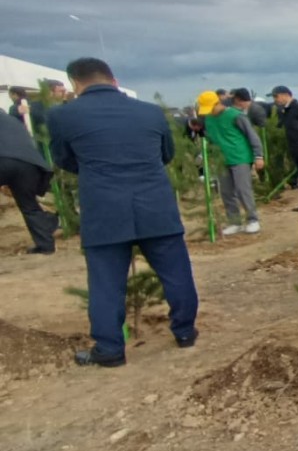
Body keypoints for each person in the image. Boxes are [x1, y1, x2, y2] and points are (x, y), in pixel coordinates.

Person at [47, 58, 200, 367]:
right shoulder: (150, 111)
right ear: (113, 80)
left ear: (76, 84)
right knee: (176, 272)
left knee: (105, 282)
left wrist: (95, 172)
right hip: (155, 204)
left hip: (103, 208)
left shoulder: (63, 115)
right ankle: (185, 332)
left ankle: (109, 349)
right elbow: (166, 154)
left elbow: (63, 158)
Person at [204, 88, 265, 235]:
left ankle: (252, 220)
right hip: (221, 159)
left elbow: (252, 135)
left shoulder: (235, 116)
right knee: (226, 192)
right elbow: (210, 139)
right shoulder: (208, 119)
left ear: (218, 103)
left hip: (240, 157)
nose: (209, 111)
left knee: (243, 189)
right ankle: (234, 222)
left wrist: (258, 156)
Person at [0, 113, 59, 254]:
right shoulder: (11, 120)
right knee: (29, 206)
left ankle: (50, 221)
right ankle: (46, 246)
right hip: (29, 164)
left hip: (3, 159)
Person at [271, 85, 298, 199]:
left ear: (286, 95)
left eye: (276, 96)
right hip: (296, 149)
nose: (275, 99)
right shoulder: (285, 111)